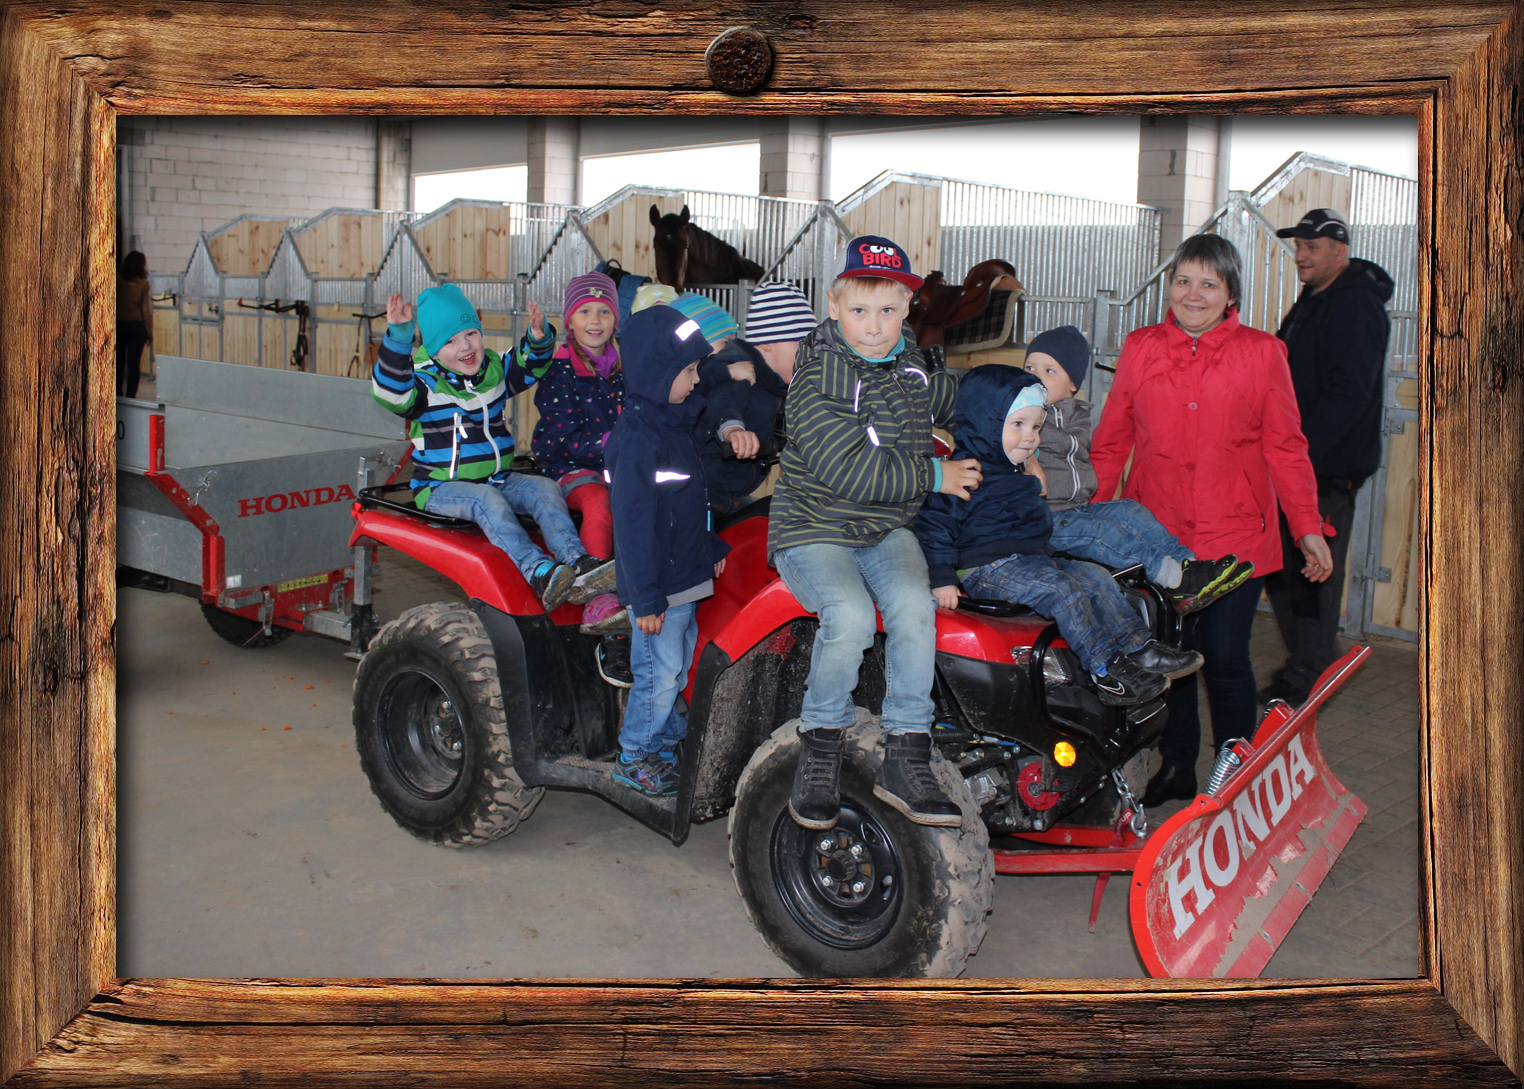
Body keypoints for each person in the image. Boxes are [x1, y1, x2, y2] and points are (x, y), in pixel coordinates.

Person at [1089, 234, 1334, 807]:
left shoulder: (1263, 352)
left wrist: (1307, 527)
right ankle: (1177, 766)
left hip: (1235, 534)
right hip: (1157, 537)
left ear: (1230, 294)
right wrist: (1089, 520)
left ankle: (1237, 775)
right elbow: (1113, 439)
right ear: (1169, 288)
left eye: (1208, 283)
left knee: (1225, 657)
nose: (1193, 294)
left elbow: (1286, 447)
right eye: (1183, 281)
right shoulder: (1142, 347)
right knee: (1170, 659)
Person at [768, 234, 981, 831]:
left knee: (916, 607)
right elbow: (849, 470)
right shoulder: (817, 378)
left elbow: (949, 398)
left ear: (907, 308)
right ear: (833, 306)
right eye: (859, 310)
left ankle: (907, 751)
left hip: (884, 528)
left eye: (888, 310)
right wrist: (935, 474)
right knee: (852, 615)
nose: (874, 326)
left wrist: (1014, 413)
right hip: (815, 526)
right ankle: (821, 742)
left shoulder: (910, 362)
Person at [914, 365, 1203, 706]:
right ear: (985, 424)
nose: (1030, 437)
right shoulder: (965, 471)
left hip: (1032, 561)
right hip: (988, 569)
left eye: (1036, 427)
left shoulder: (1016, 468)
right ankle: (1106, 670)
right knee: (1062, 591)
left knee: (1096, 576)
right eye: (1018, 425)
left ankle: (1140, 648)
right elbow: (935, 524)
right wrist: (943, 577)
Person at [372, 284, 614, 613]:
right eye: (450, 341)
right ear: (432, 349)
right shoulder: (424, 385)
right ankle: (538, 571)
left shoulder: (493, 370)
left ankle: (578, 562)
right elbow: (391, 392)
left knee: (544, 489)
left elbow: (528, 366)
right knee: (487, 500)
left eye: (471, 334)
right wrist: (399, 338)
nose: (465, 346)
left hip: (496, 478)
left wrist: (538, 338)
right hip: (441, 487)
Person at [1021, 324, 1251, 614]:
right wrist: (1028, 455)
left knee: (1131, 510)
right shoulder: (1019, 415)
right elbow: (996, 437)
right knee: (1101, 533)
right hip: (1040, 519)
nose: (1035, 378)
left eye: (1049, 371)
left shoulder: (1075, 416)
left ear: (1073, 385)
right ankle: (1171, 580)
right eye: (1029, 368)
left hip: (1073, 510)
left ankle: (1188, 567)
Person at [1262, 209, 1394, 706]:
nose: (1300, 255)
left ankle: (1311, 676)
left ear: (1340, 251)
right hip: (1297, 465)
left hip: (1325, 470)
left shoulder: (1356, 306)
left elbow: (1349, 393)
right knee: (1283, 570)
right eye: (1298, 245)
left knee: (1313, 573)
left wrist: (1297, 454)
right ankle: (1311, 661)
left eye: (1311, 247)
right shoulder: (1314, 300)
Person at [604, 304, 731, 796]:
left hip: (684, 574)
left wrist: (709, 543)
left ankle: (662, 738)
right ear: (658, 371)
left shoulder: (676, 426)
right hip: (660, 587)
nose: (697, 380)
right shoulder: (637, 440)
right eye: (689, 370)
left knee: (673, 668)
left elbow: (689, 503)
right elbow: (633, 528)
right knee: (658, 674)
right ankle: (634, 755)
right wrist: (646, 599)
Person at [532, 271, 626, 633]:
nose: (595, 320)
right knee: (598, 501)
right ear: (569, 320)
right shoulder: (560, 371)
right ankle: (595, 596)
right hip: (567, 466)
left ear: (616, 319)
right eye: (585, 311)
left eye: (604, 311)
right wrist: (610, 443)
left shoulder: (622, 367)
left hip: (614, 464)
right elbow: (560, 438)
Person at [693, 281, 818, 514]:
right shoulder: (742, 369)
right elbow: (723, 401)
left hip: (734, 495)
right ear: (767, 342)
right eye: (802, 344)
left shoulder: (781, 383)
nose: (809, 355)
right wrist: (733, 430)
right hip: (702, 492)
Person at [117, 250, 152, 398]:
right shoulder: (143, 284)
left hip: (119, 325)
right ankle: (131, 396)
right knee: (133, 364)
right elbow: (146, 310)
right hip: (137, 326)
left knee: (118, 362)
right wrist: (149, 332)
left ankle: (117, 394)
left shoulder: (117, 280)